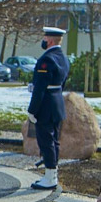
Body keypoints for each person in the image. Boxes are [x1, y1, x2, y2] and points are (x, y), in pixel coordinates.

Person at [28, 26, 70, 190]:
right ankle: (52, 174)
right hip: (57, 103)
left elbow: (39, 89)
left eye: (45, 38)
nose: (43, 40)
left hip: (45, 106)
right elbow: (62, 83)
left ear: (50, 40)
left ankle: (50, 177)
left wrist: (32, 110)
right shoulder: (63, 58)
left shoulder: (46, 60)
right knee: (54, 141)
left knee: (46, 142)